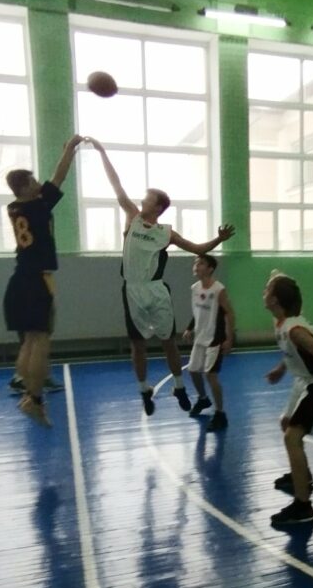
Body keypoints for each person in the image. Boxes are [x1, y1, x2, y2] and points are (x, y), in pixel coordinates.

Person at [85, 137, 235, 416]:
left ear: (157, 207)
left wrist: (219, 239)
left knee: (169, 340)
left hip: (156, 290)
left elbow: (198, 249)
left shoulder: (166, 232)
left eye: (147, 198)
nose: (142, 200)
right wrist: (102, 152)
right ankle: (144, 389)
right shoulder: (132, 216)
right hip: (132, 290)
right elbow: (116, 184)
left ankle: (179, 386)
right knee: (138, 344)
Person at [3, 134, 83, 426]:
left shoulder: (14, 207)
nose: (39, 183)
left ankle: (28, 395)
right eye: (33, 180)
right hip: (37, 280)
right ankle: (35, 400)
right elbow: (59, 177)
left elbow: (50, 182)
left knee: (28, 341)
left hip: (19, 278)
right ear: (25, 187)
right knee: (40, 341)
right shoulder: (37, 206)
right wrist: (69, 149)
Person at [263, 272, 313, 526]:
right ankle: (302, 476)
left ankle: (303, 506)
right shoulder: (282, 323)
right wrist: (281, 368)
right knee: (286, 423)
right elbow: (293, 353)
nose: (264, 293)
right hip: (303, 379)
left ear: (275, 300)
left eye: (267, 290)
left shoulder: (295, 330)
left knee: (291, 438)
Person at [181, 254, 236, 431]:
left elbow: (229, 313)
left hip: (215, 339)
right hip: (200, 337)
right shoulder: (195, 288)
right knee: (192, 371)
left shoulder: (218, 289)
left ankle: (220, 414)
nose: (196, 265)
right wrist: (190, 328)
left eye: (201, 263)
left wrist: (229, 338)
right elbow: (197, 312)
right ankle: (203, 399)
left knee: (210, 375)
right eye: (196, 263)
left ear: (210, 268)